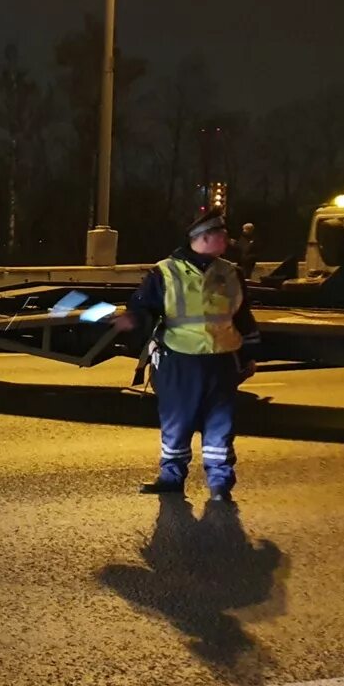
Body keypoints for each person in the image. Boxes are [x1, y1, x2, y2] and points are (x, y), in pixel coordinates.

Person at [113, 208, 261, 500]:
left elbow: (243, 316)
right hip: (179, 361)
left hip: (222, 361)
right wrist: (133, 320)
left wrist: (250, 356)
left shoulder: (231, 272)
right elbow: (143, 309)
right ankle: (172, 477)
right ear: (204, 237)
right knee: (177, 423)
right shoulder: (164, 271)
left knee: (221, 425)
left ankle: (220, 484)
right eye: (222, 235)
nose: (227, 239)